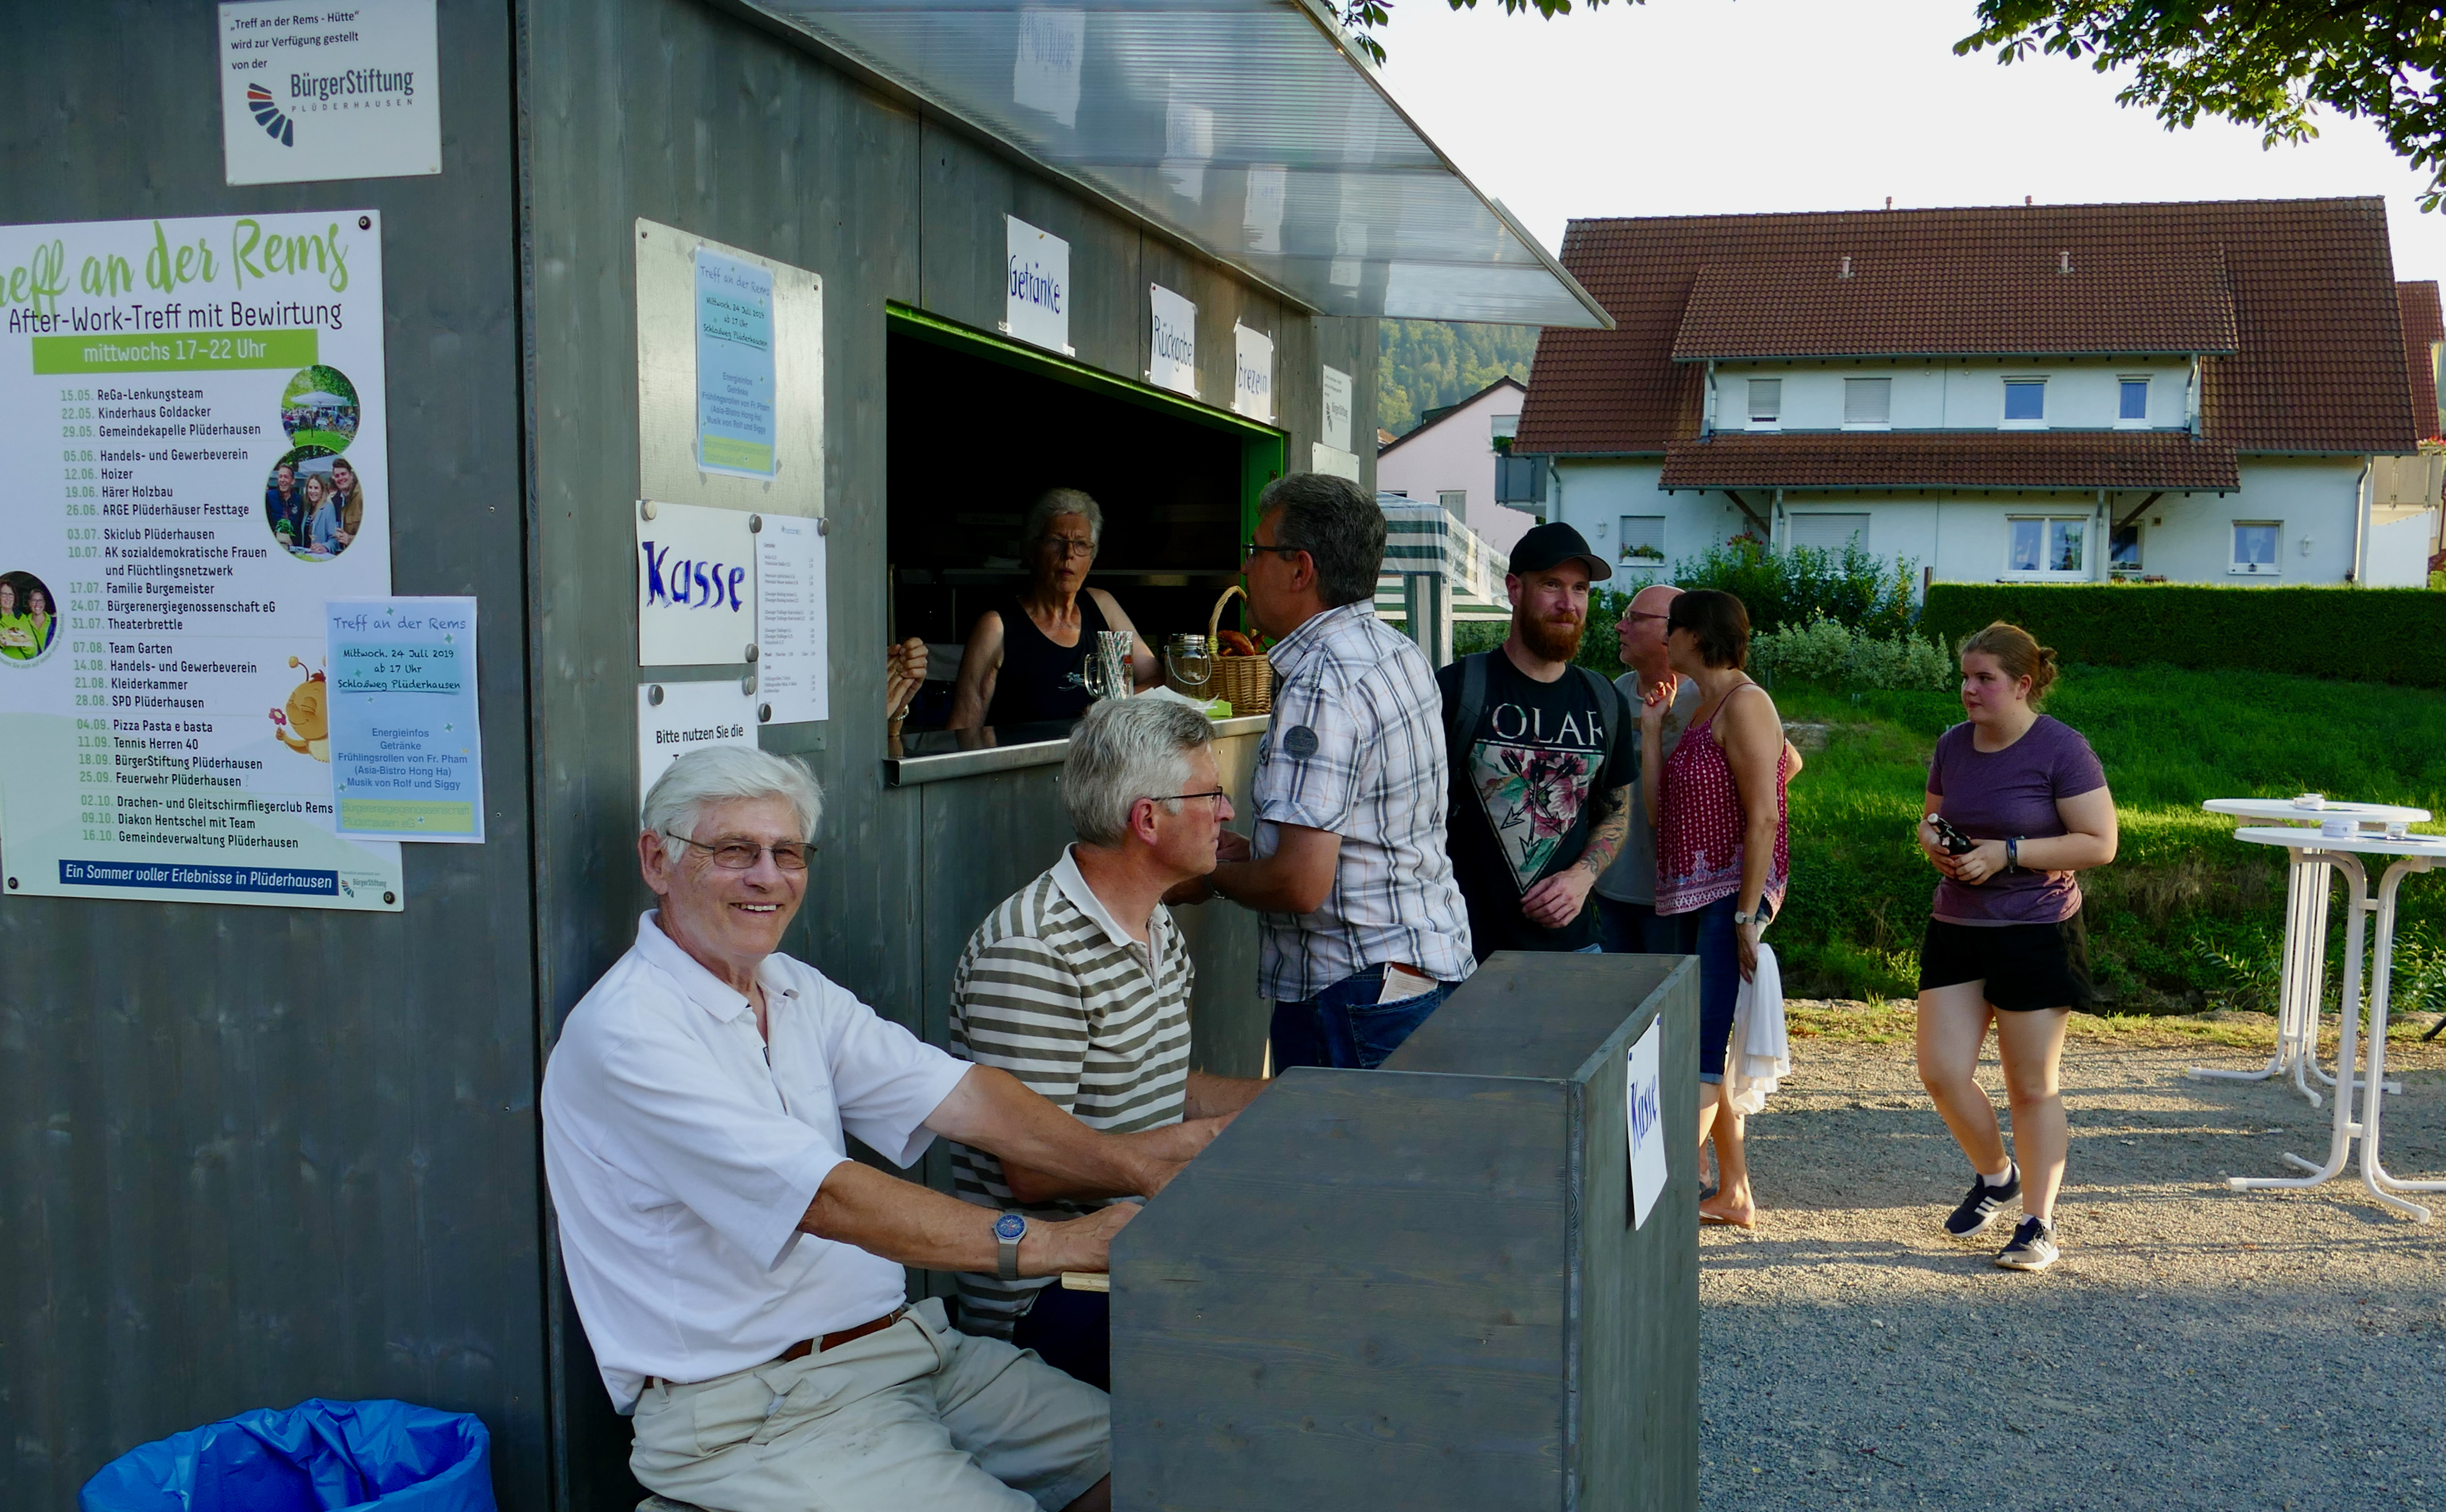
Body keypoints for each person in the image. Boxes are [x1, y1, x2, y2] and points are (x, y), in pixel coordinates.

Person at [542, 745, 1182, 1512]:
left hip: (905, 1352)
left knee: (1177, 1461)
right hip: (756, 1408)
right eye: (734, 852)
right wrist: (1054, 1243)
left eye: (787, 854)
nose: (767, 878)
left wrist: (1135, 1169)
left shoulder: (789, 986)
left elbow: (964, 1099)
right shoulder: (631, 1031)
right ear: (657, 860)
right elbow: (825, 1199)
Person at [948, 699, 1268, 1388]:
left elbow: (1159, 1085)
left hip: (1131, 1248)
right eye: (1211, 793)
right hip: (1040, 1296)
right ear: (1147, 819)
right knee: (1274, 1339)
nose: (1227, 811)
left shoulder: (1154, 921)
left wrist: (1294, 1101)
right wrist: (1203, 1143)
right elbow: (1033, 1170)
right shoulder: (1032, 948)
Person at [1199, 473, 1473, 1070]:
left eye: (1256, 551)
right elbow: (1367, 837)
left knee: (1338, 1163)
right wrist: (1256, 852)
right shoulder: (1396, 650)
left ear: (1300, 569)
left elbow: (1300, 884)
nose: (1247, 570)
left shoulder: (1321, 681)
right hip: (1420, 972)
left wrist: (1207, 870)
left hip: (1353, 991)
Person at [1913, 622, 2116, 1273]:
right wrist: (1937, 846)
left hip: (2036, 928)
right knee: (1940, 1072)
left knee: (2031, 1086)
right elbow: (1930, 815)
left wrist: (2008, 853)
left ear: (2022, 683)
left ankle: (2037, 1223)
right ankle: (1996, 1175)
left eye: (1983, 678)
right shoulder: (1952, 743)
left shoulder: (2061, 748)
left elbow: (2098, 842)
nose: (1968, 689)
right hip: (1957, 925)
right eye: (1965, 676)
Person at [1645, 589, 1790, 1230]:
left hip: (1727, 895)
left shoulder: (1747, 702)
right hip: (1689, 892)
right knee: (1698, 1047)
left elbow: (1764, 813)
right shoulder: (1700, 706)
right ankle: (1732, 1194)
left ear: (1695, 635)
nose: (1661, 639)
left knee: (1700, 1048)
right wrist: (1653, 732)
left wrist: (1744, 915)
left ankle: (1659, 1200)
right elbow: (1661, 817)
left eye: (1669, 628)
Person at [1436, 522, 1633, 960]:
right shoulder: (1456, 690)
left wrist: (1582, 877)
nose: (1569, 604)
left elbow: (1617, 813)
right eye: (1551, 585)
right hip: (1462, 951)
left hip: (1574, 951)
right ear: (1514, 590)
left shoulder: (1604, 700)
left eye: (1580, 589)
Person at [1596, 583, 1801, 956]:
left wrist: (1718, 827)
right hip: (1625, 886)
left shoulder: (1726, 699)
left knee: (1689, 1011)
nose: (1619, 627)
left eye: (1634, 618)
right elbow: (1657, 809)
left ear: (1686, 634)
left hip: (1697, 892)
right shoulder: (1618, 691)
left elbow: (1778, 780)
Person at [948, 489, 1155, 730]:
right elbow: (962, 727)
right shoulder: (997, 626)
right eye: (1056, 542)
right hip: (1024, 765)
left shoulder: (1102, 605)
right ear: (1032, 551)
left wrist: (1112, 706)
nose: (1069, 555)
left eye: (1081, 544)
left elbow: (1155, 679)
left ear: (1091, 558)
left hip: (1097, 764)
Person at [329, 457, 366, 549]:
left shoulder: (362, 496)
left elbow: (375, 533)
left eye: (343, 474)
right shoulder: (342, 499)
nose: (341, 478)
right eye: (337, 476)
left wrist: (350, 539)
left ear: (351, 475)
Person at [264, 463, 303, 545]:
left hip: (293, 547)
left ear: (293, 481)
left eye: (286, 477)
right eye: (280, 477)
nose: (282, 480)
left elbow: (300, 526)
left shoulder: (299, 500)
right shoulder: (269, 497)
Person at [0, 580, 34, 660]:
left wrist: (23, 641)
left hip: (21, 665)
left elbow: (33, 652)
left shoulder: (22, 617)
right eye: (4, 595)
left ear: (15, 598)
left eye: (11, 595)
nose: (8, 598)